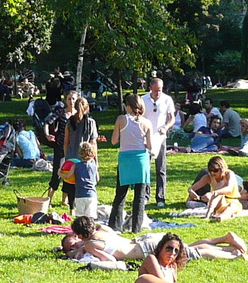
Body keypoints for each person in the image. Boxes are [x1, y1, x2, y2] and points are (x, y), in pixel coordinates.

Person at [58, 216, 248, 263]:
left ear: (82, 235)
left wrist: (82, 254)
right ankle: (223, 238)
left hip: (143, 248)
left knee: (192, 253)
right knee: (187, 246)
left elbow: (110, 259)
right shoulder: (103, 228)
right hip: (144, 239)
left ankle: (232, 253)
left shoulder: (91, 244)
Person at [107, 93, 152, 233]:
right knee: (139, 196)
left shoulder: (121, 119)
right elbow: (149, 145)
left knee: (120, 194)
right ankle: (136, 228)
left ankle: (115, 226)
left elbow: (114, 141)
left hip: (125, 159)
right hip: (141, 160)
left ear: (129, 106)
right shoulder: (146, 122)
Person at [140, 77, 177, 206]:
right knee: (146, 167)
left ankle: (160, 197)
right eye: (155, 91)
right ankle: (145, 195)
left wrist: (166, 127)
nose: (158, 93)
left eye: (160, 90)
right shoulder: (143, 99)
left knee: (161, 168)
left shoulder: (167, 99)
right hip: (146, 137)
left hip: (160, 137)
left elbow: (172, 118)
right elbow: (139, 117)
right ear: (150, 88)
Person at [68, 140, 99, 220]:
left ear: (80, 153)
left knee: (80, 217)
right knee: (90, 217)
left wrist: (60, 172)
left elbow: (68, 175)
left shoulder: (76, 165)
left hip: (79, 195)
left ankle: (80, 231)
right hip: (91, 195)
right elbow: (97, 179)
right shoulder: (94, 166)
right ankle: (90, 230)